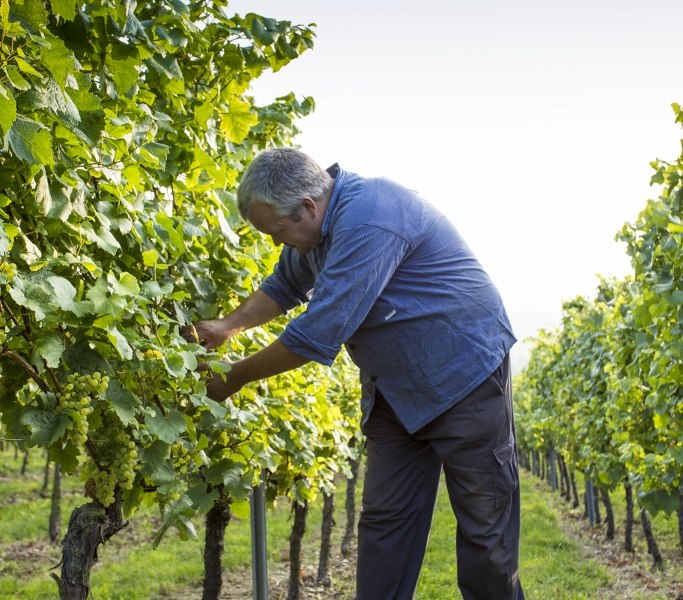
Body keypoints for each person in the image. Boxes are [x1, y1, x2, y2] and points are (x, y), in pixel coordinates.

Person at [187, 147, 524, 600]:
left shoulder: (370, 214)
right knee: (385, 524)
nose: (276, 243)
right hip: (395, 393)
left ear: (307, 206)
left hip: (463, 376)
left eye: (278, 231)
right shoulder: (313, 233)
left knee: (486, 534)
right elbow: (284, 285)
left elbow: (320, 330)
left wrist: (236, 376)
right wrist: (227, 325)